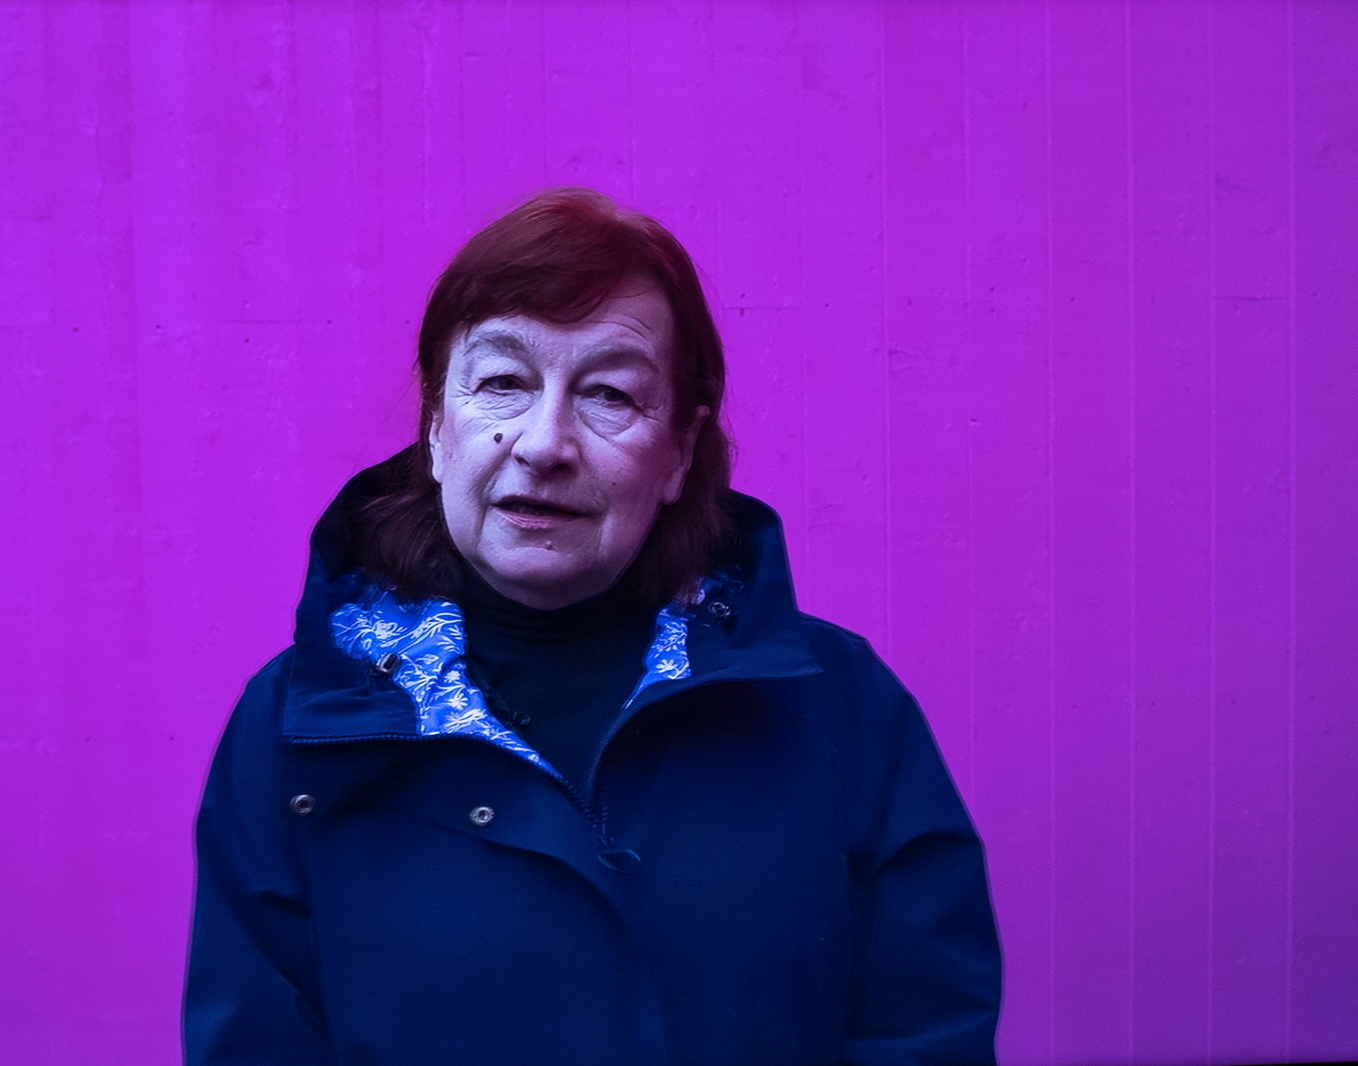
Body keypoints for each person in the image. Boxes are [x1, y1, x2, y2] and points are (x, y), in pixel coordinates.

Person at [183, 188, 1001, 1065]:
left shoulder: (841, 710)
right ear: (436, 424)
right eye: (503, 382)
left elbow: (927, 1032)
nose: (545, 444)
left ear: (679, 450)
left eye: (609, 394)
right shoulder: (299, 726)